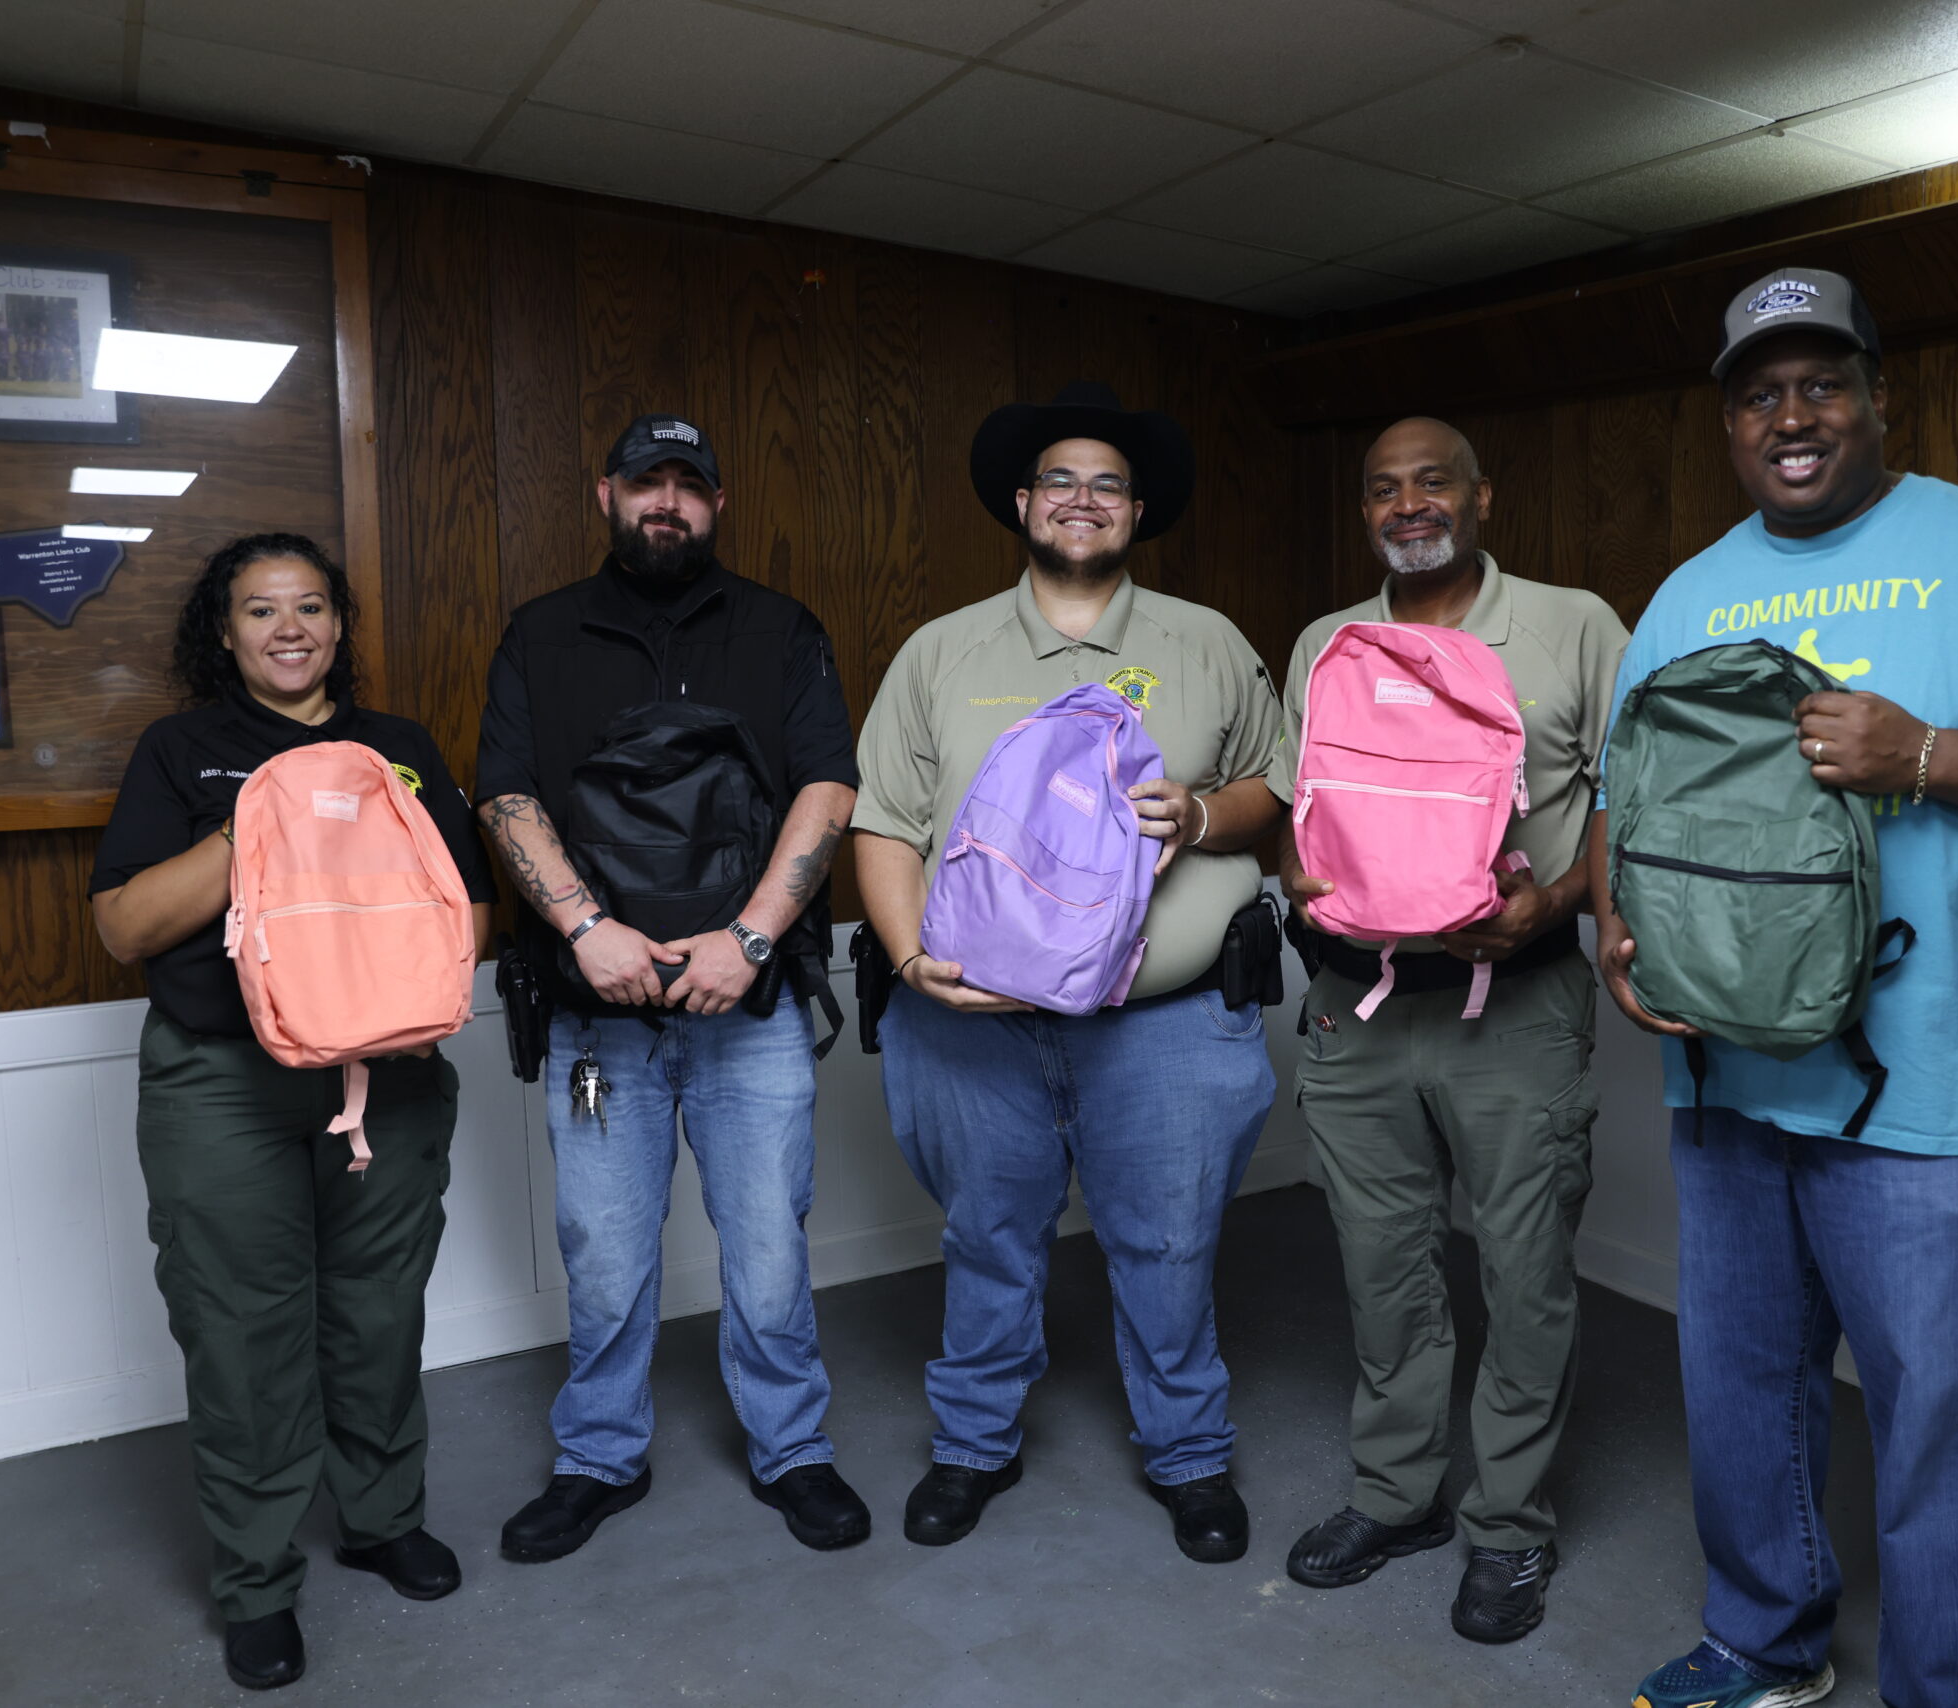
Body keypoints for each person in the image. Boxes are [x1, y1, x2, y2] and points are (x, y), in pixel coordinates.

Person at [1601, 270, 1958, 1708]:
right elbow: (1625, 798)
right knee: (1740, 1392)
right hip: (1728, 1074)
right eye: (1759, 392)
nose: (1791, 415)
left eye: (1821, 382)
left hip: (1932, 1083)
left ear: (1877, 396)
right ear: (1729, 422)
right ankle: (1764, 1642)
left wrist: (1924, 754)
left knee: (1939, 1423)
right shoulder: (1688, 591)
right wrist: (1620, 937)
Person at [851, 381, 1285, 1562]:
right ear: (1020, 502)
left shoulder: (1206, 642)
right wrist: (906, 962)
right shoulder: (942, 651)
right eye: (1059, 479)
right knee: (988, 1239)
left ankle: (1189, 1457)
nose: (1080, 500)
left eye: (1106, 482)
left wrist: (1198, 813)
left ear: (1136, 510)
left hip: (1164, 1025)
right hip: (973, 1025)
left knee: (1167, 1242)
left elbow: (1275, 791)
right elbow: (885, 821)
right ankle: (974, 1444)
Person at [90, 533, 495, 1692]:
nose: (288, 628)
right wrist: (266, 825)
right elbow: (126, 928)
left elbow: (466, 922)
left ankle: (379, 1519)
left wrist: (357, 826)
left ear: (337, 624)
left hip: (389, 1077)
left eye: (310, 606)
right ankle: (258, 1581)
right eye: (260, 609)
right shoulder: (183, 751)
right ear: (223, 631)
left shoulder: (400, 751)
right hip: (224, 1084)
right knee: (243, 1333)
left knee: (377, 1315)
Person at [475, 415, 870, 1561]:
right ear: (602, 493)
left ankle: (792, 1448)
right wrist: (585, 928)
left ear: (718, 501)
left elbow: (829, 788)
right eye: (644, 481)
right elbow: (501, 791)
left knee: (765, 1243)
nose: (666, 502)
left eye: (687, 486)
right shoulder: (542, 635)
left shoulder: (780, 630)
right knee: (601, 1241)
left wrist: (746, 939)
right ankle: (599, 1455)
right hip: (598, 1023)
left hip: (745, 1012)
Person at [1270, 419, 1629, 1644]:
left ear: (1482, 494)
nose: (1408, 503)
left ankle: (1511, 1528)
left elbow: (1633, 803)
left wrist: (1558, 901)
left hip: (1514, 1004)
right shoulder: (1326, 640)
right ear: (1362, 509)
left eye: (1432, 482)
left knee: (1522, 1276)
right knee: (1385, 1273)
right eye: (1382, 487)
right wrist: (1295, 876)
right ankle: (1396, 1498)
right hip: (1355, 1006)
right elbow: (1294, 802)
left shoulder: (1574, 625)